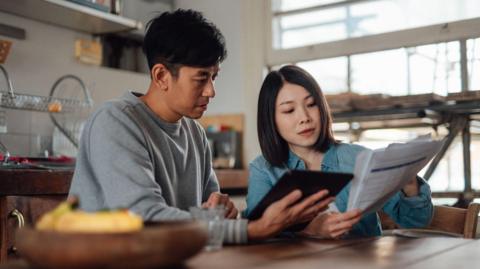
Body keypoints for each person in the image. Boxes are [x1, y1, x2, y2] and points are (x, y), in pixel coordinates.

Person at [69, 10, 332, 244]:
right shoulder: (115, 121)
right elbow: (144, 218)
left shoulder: (194, 133)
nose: (211, 91)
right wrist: (253, 230)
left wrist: (222, 209)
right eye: (201, 78)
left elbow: (211, 212)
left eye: (214, 77)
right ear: (161, 76)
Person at [245, 65, 433, 238]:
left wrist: (409, 184)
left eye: (311, 104)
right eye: (289, 110)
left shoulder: (358, 158)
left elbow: (416, 221)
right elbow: (257, 235)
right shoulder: (264, 170)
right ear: (271, 120)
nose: (304, 117)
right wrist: (310, 231)